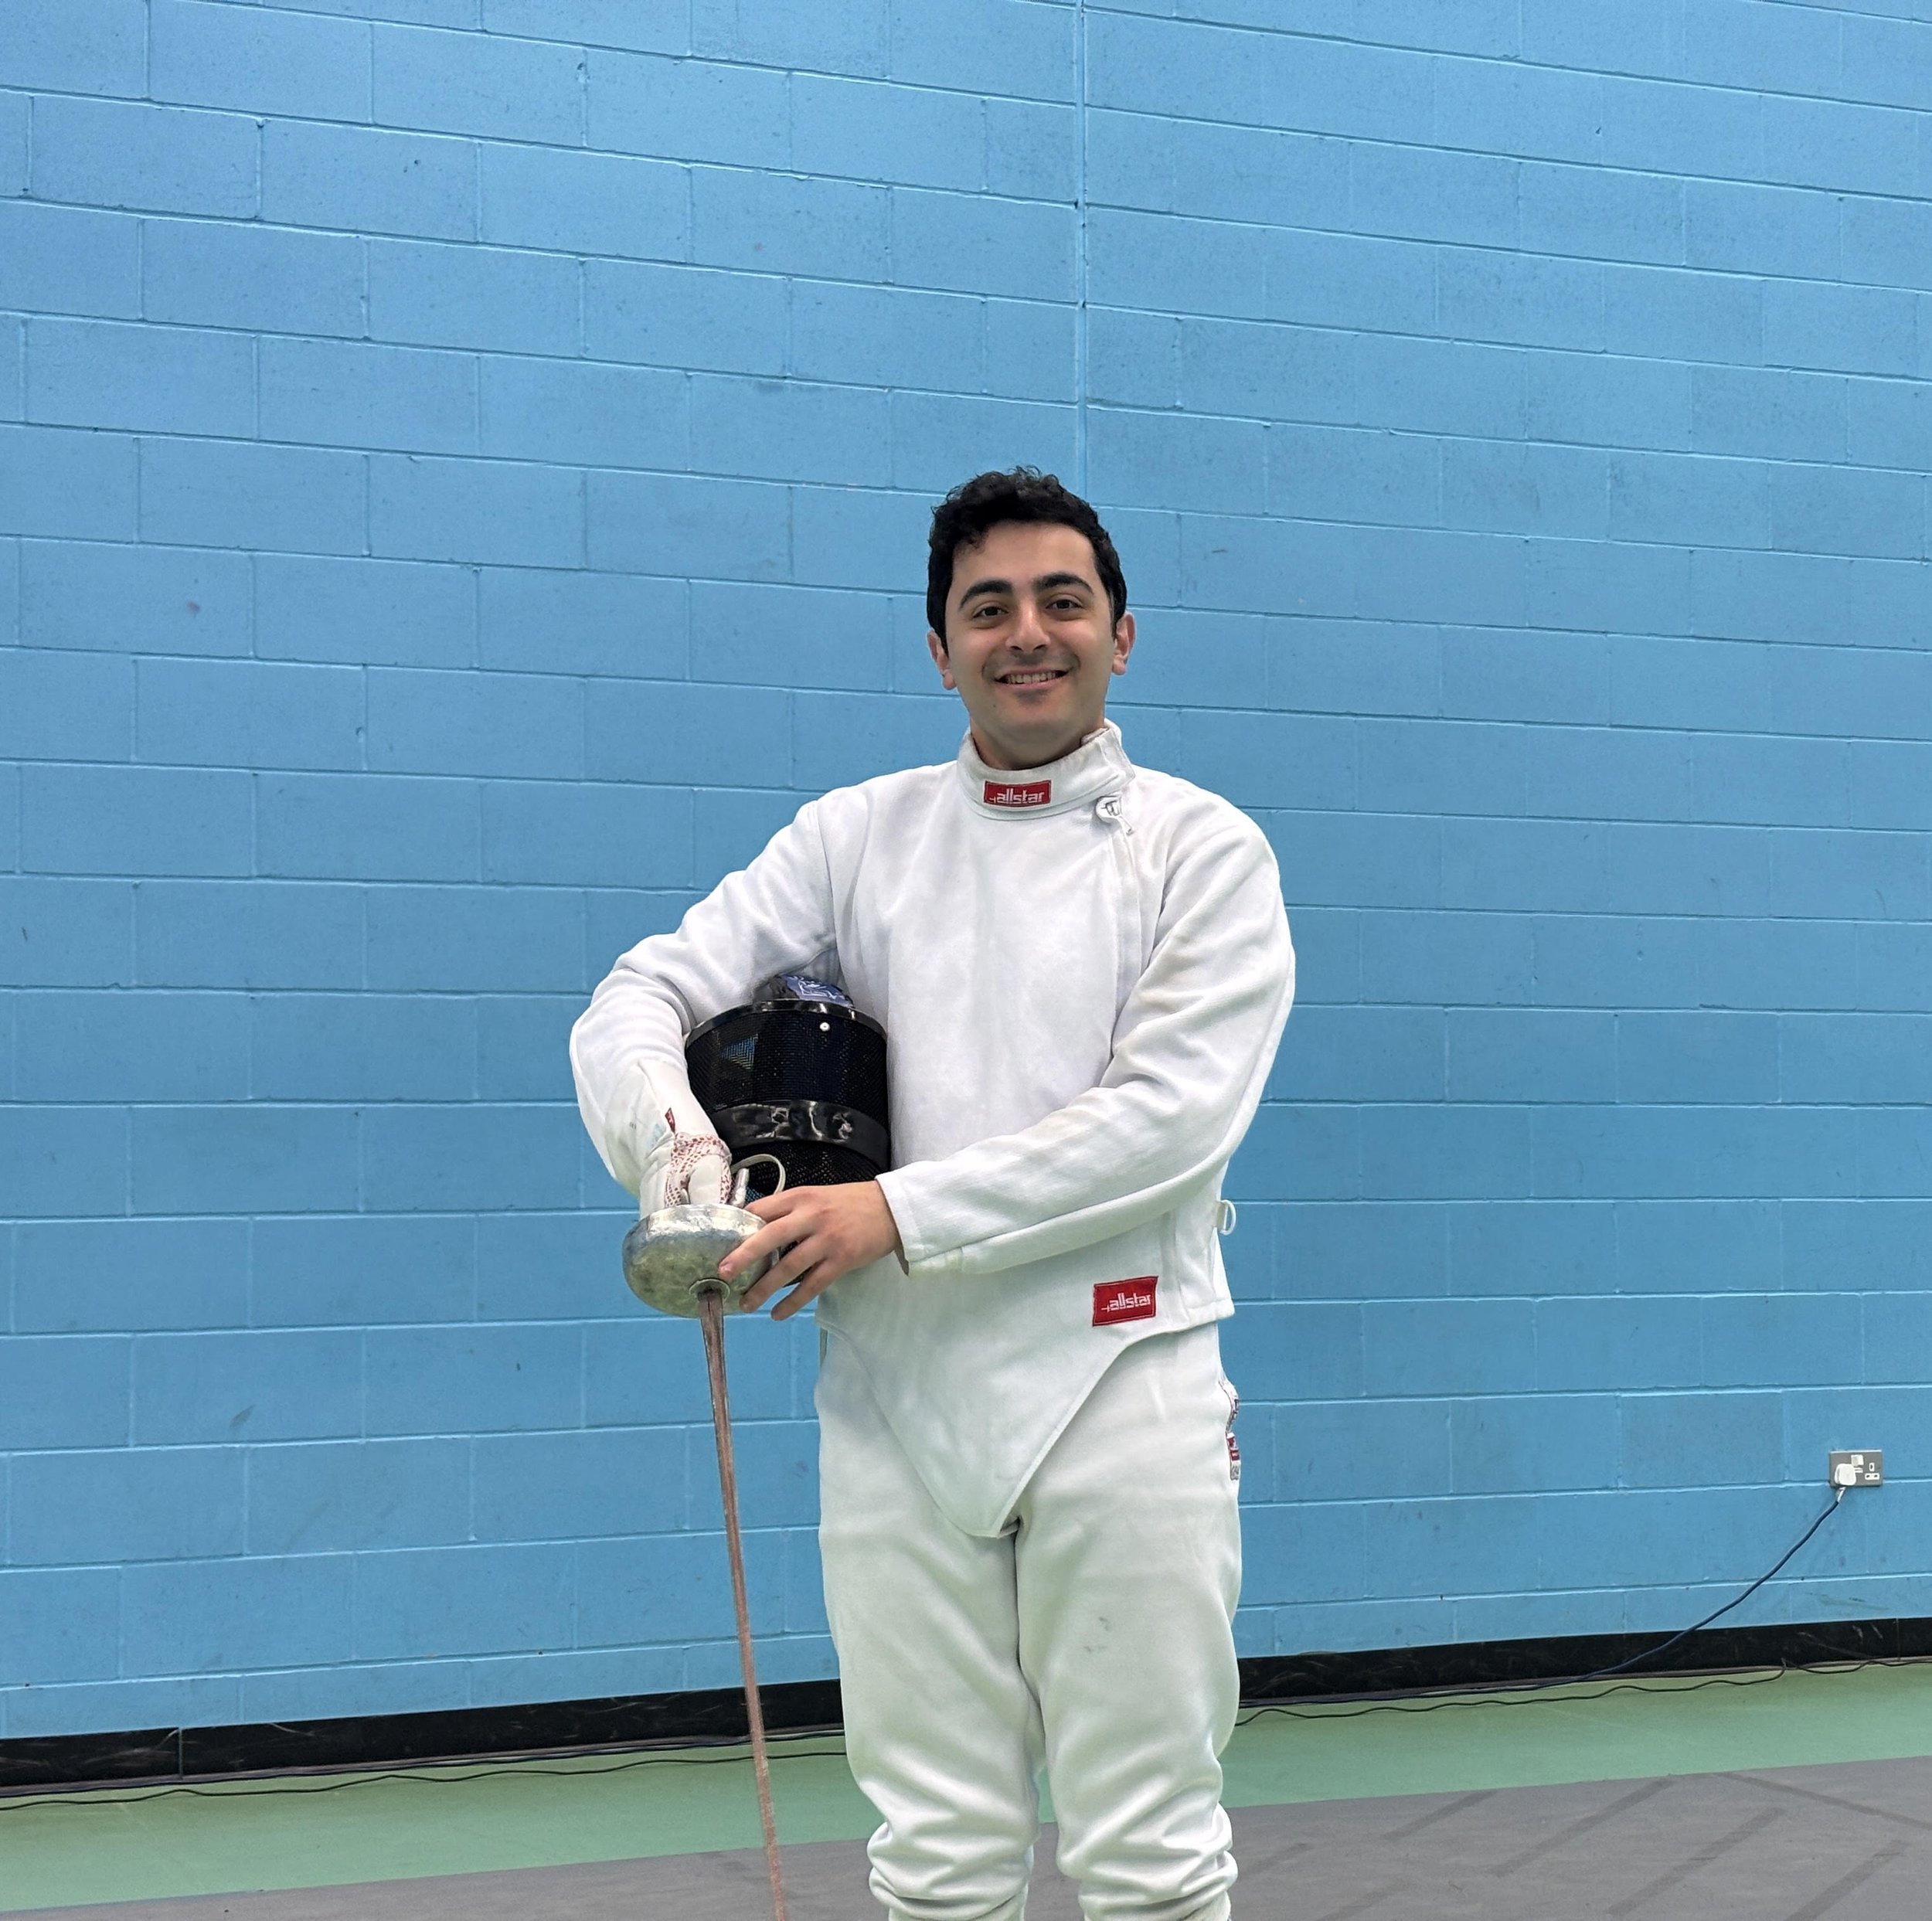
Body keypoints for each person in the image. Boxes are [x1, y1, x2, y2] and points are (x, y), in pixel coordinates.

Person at [570, 468, 1294, 1921]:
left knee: (1149, 1846)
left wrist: (890, 1212)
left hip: (1125, 1373)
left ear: (1122, 634)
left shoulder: (1201, 848)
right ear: (940, 648)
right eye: (988, 609)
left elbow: (1170, 1118)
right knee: (937, 1857)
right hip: (896, 1391)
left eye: (1061, 601)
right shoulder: (858, 837)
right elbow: (637, 996)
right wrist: (684, 1164)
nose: (1028, 633)